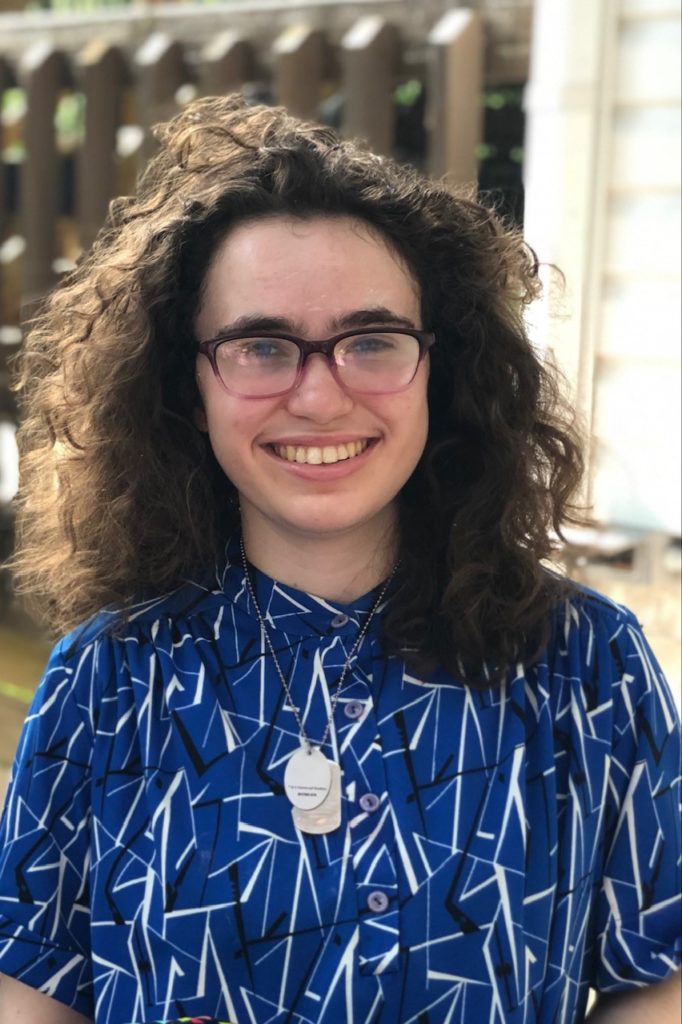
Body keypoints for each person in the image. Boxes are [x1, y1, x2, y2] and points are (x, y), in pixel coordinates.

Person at [0, 94, 679, 1024]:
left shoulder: (582, 664)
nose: (320, 398)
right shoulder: (106, 682)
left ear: (444, 367)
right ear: (188, 390)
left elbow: (663, 971)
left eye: (370, 341)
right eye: (261, 346)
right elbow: (31, 989)